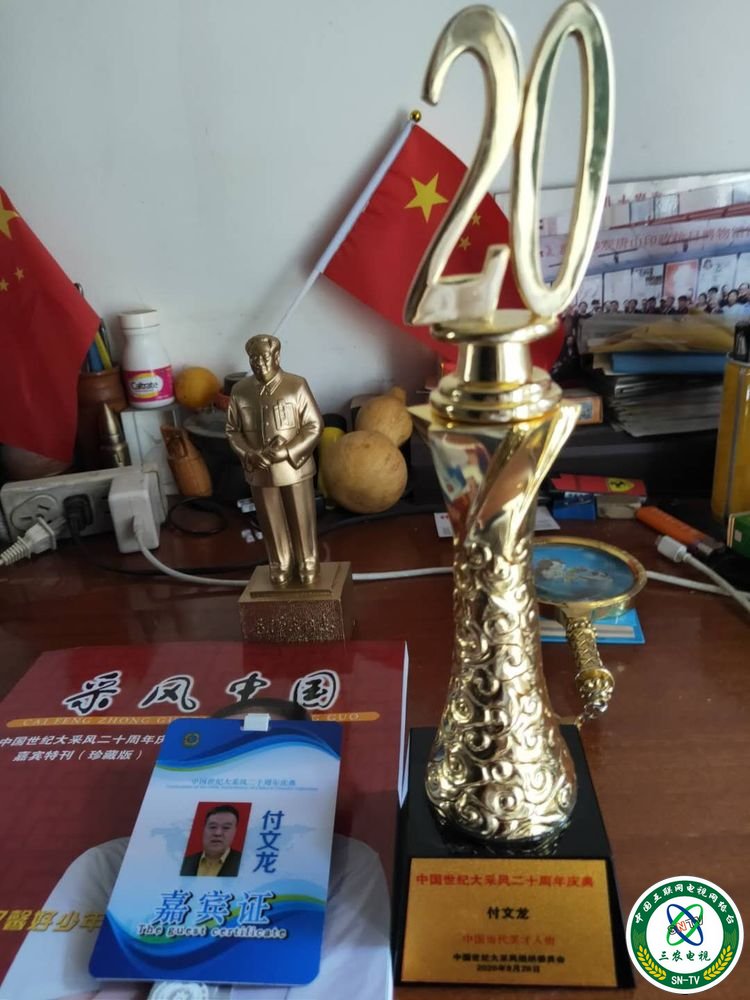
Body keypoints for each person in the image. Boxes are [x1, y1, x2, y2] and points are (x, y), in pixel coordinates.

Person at [0, 700, 392, 1000]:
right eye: (227, 754)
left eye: (274, 758)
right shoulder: (107, 864)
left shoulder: (345, 865)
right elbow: (41, 989)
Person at [226, 335, 323, 587]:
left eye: (264, 356)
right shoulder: (240, 391)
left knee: (301, 517)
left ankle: (307, 561)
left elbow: (314, 425)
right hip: (259, 470)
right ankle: (280, 563)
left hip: (294, 468)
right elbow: (233, 430)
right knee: (270, 520)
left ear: (277, 356)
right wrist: (248, 454)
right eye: (253, 358)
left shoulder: (296, 386)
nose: (259, 363)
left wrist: (288, 451)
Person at [180, 805, 243, 877]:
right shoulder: (185, 862)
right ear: (204, 829)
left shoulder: (244, 862)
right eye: (213, 827)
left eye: (226, 827)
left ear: (235, 831)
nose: (217, 833)